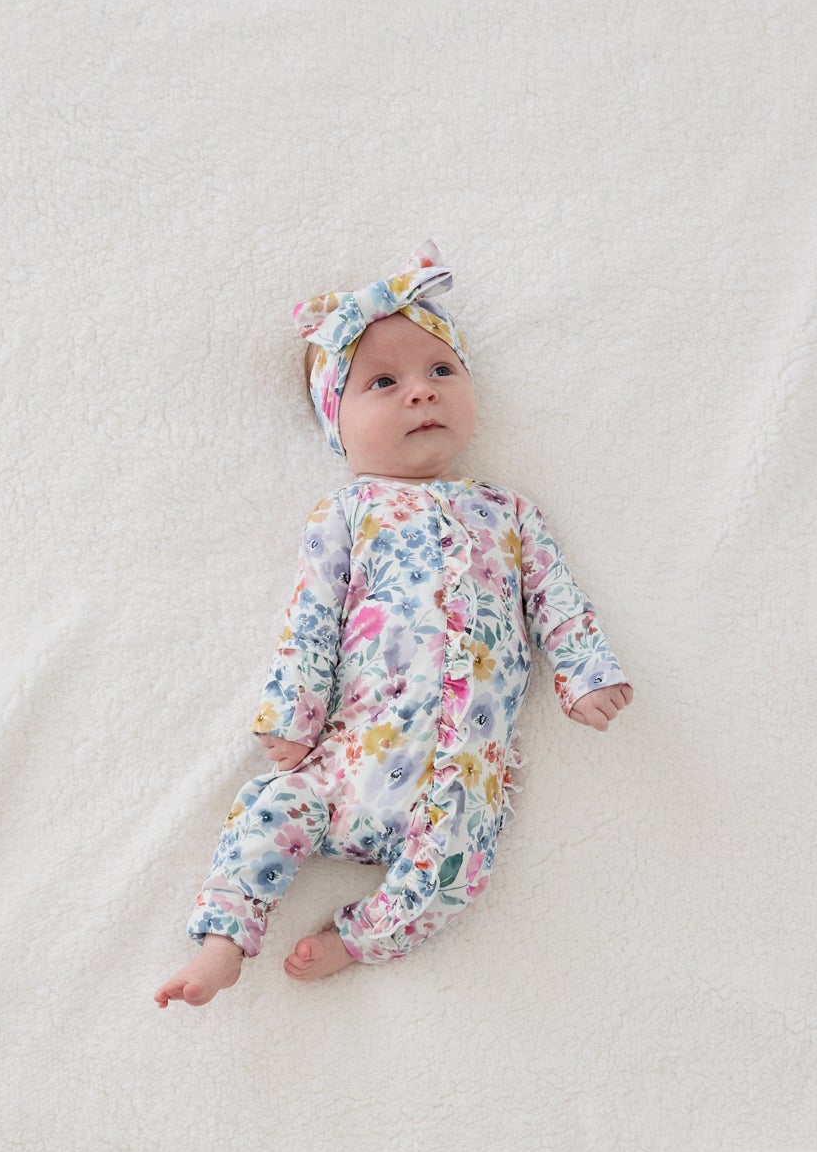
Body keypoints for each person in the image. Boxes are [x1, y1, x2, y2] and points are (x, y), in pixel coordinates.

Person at [155, 237, 632, 1008]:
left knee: (453, 877)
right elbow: (310, 619)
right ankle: (221, 942)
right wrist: (293, 715)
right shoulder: (350, 511)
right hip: (344, 758)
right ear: (336, 428)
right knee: (266, 810)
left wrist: (584, 673)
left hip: (458, 779)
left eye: (441, 371)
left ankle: (355, 938)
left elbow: (557, 600)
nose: (421, 393)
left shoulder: (508, 514)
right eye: (384, 382)